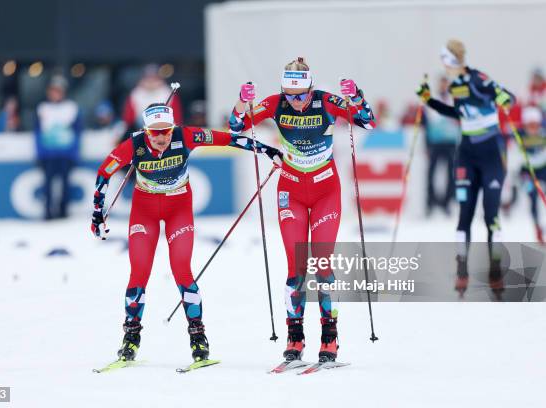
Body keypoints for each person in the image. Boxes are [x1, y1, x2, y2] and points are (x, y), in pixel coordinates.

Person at [91, 103, 281, 365]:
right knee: (139, 271)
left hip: (178, 209)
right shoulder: (133, 145)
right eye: (155, 133)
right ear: (146, 131)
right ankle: (130, 338)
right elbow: (104, 172)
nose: (161, 138)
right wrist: (97, 213)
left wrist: (267, 150)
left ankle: (198, 338)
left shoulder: (187, 136)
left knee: (182, 269)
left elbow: (229, 139)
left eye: (166, 132)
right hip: (144, 212)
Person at [229, 57, 376, 363]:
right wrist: (243, 102)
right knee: (296, 266)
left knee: (322, 265)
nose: (294, 102)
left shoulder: (327, 102)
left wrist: (357, 96)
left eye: (300, 96)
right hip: (291, 191)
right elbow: (236, 126)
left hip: (325, 191)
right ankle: (294, 337)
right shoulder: (274, 103)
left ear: (311, 89)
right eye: (289, 96)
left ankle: (329, 336)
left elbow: (367, 121)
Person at [416, 39, 515, 296]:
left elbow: (508, 97)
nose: (443, 64)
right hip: (467, 156)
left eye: (445, 59)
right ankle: (462, 269)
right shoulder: (454, 85)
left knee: (491, 216)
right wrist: (429, 100)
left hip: (491, 154)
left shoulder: (478, 78)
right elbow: (458, 114)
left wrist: (504, 97)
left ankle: (495, 270)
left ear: (452, 60)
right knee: (464, 215)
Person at [35, 75, 82, 220]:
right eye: (53, 91)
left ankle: (63, 212)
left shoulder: (71, 108)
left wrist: (74, 152)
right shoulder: (42, 108)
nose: (55, 94)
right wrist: (40, 152)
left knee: (65, 185)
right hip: (48, 154)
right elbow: (37, 133)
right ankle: (48, 212)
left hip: (65, 153)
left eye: (58, 91)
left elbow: (78, 132)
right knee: (48, 185)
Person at [424, 75, 460, 216]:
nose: (444, 86)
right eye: (442, 83)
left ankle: (447, 202)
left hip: (451, 142)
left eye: (446, 83)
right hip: (436, 142)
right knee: (431, 173)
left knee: (451, 174)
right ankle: (430, 202)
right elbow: (431, 120)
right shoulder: (433, 99)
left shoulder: (454, 100)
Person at [122, 64, 183, 137]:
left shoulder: (168, 93)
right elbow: (128, 119)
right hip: (141, 130)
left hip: (165, 130)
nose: (151, 81)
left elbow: (177, 119)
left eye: (153, 78)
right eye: (148, 77)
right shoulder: (136, 93)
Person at [519, 106, 546, 243]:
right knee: (532, 198)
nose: (533, 129)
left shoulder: (543, 133)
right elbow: (514, 155)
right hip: (527, 172)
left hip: (543, 168)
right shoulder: (519, 135)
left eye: (535, 125)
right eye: (530, 125)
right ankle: (537, 228)